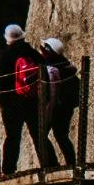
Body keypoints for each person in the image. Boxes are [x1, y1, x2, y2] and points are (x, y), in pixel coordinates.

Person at [0, 24, 46, 174]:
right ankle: (50, 165)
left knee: (12, 138)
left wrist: (3, 103)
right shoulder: (33, 54)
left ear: (7, 39)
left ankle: (8, 170)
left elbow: (0, 83)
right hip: (33, 101)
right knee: (38, 134)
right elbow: (45, 74)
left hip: (12, 104)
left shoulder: (5, 57)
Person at [36, 36, 85, 172]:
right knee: (61, 136)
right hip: (64, 108)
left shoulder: (52, 69)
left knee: (42, 136)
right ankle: (71, 163)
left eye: (45, 49)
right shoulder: (66, 67)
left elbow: (52, 92)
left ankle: (51, 165)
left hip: (55, 107)